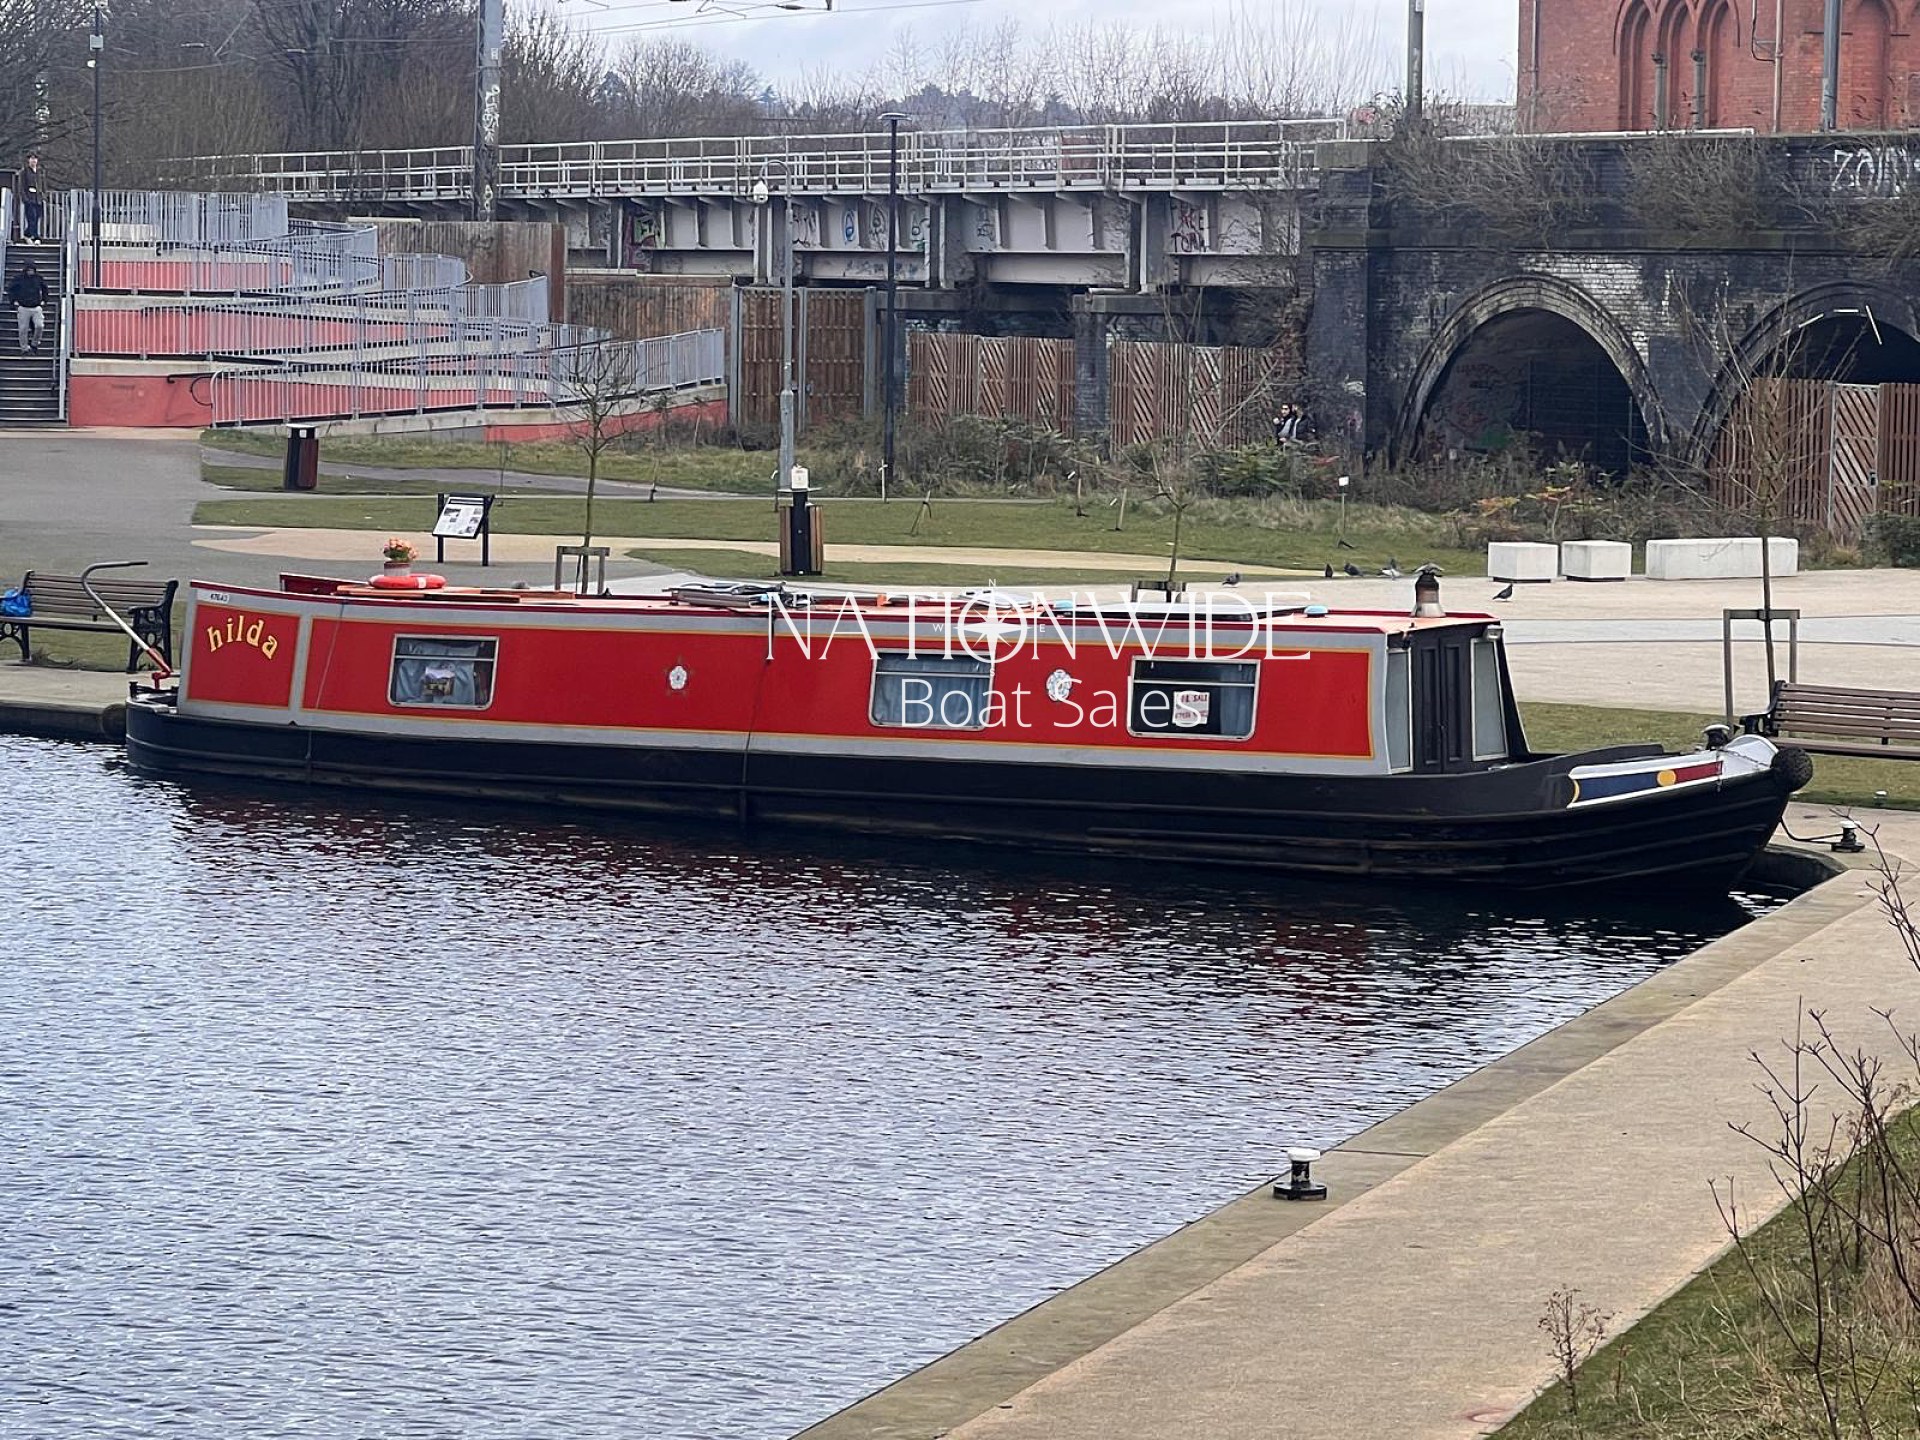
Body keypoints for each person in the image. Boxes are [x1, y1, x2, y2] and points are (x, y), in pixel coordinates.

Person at [8, 260, 48, 353]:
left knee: (39, 326)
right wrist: (13, 301)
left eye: (32, 270)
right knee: (23, 329)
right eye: (29, 270)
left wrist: (44, 300)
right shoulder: (19, 279)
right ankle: (24, 347)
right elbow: (11, 290)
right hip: (23, 307)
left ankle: (35, 343)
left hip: (36, 306)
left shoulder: (38, 278)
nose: (31, 272)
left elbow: (45, 289)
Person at [16, 155, 44, 243]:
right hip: (29, 198)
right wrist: (25, 199)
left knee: (37, 218)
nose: (33, 161)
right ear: (28, 160)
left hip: (38, 199)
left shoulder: (40, 172)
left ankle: (27, 234)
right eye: (32, 159)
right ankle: (36, 237)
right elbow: (21, 187)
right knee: (32, 217)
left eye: (35, 159)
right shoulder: (24, 172)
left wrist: (43, 196)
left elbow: (43, 185)